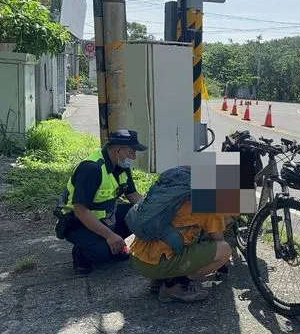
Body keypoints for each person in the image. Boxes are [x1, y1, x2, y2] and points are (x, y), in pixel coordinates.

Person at [128, 167, 232, 303]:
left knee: (182, 236)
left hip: (138, 258)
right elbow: (218, 239)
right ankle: (174, 286)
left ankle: (159, 280)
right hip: (156, 264)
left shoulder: (175, 193)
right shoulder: (207, 201)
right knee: (224, 250)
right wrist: (222, 263)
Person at [54, 129, 147, 274]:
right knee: (103, 252)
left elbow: (133, 195)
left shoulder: (122, 166)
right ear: (118, 151)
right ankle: (81, 254)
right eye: (132, 152)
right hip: (77, 222)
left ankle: (114, 243)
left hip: (106, 216)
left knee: (139, 215)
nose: (134, 157)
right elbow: (80, 211)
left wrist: (152, 211)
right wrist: (110, 236)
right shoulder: (92, 169)